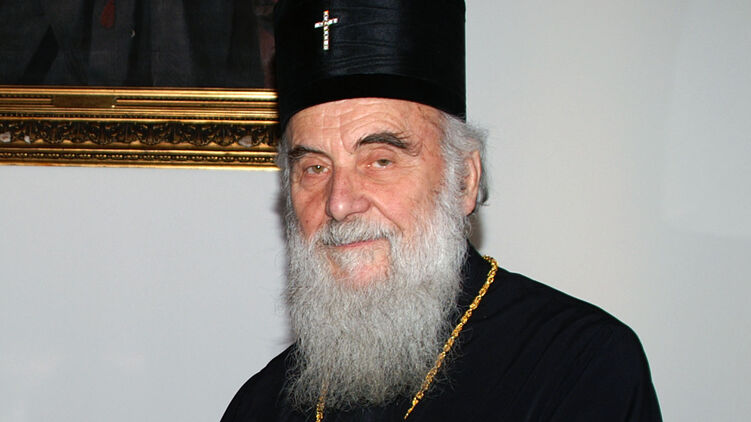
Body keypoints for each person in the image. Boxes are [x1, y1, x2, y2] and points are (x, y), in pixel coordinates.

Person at [222, 0, 662, 421]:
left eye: (381, 160)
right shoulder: (260, 403)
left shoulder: (581, 365)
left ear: (464, 180)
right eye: (315, 168)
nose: (339, 203)